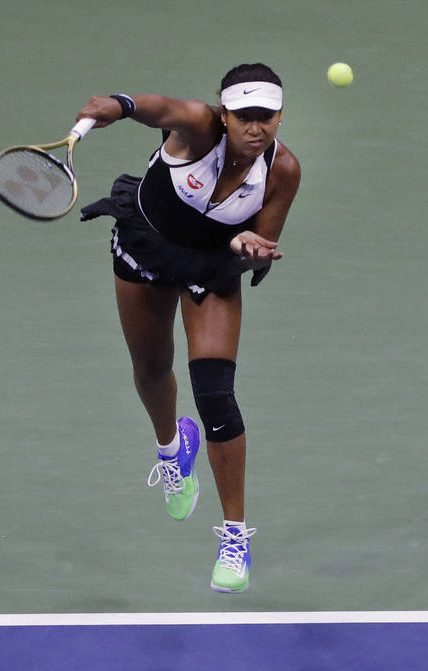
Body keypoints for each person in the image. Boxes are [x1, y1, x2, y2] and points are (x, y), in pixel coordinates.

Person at [76, 63, 301, 593]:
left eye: (265, 117)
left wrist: (247, 250)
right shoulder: (200, 127)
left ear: (278, 117)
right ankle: (172, 448)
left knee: (216, 395)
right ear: (224, 114)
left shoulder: (283, 170)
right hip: (146, 245)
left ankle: (235, 537)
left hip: (211, 267)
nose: (255, 127)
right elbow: (163, 108)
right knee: (151, 369)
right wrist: (122, 104)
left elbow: (259, 244)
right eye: (243, 115)